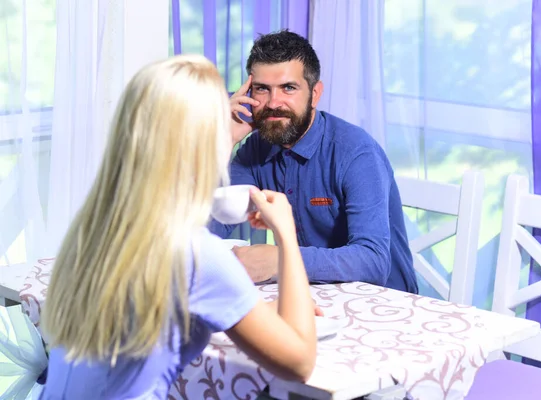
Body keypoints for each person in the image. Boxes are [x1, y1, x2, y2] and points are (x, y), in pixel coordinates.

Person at [39, 55, 318, 399]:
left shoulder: (97, 230)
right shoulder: (198, 256)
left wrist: (254, 314)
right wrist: (285, 235)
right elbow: (300, 362)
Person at [209, 30, 418, 293]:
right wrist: (224, 142)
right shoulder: (255, 149)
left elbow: (373, 261)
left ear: (315, 94)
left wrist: (281, 259)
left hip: (384, 303)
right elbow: (204, 234)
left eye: (289, 88)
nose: (274, 103)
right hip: (310, 296)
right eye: (262, 89)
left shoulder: (356, 152)